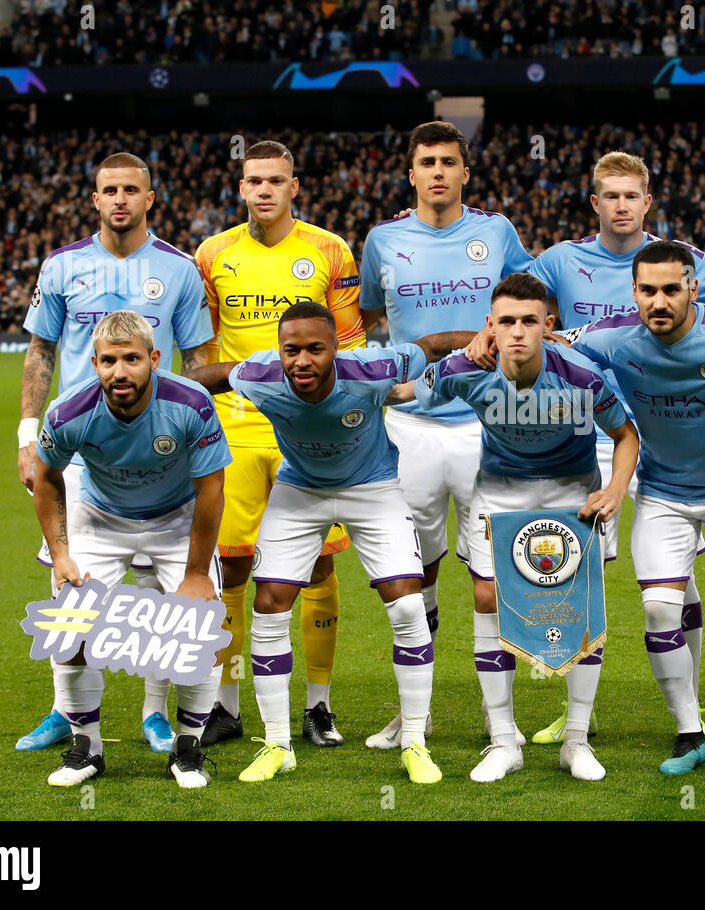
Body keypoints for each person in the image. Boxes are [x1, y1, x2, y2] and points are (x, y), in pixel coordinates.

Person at [189, 302, 474, 784]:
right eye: (292, 350)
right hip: (300, 489)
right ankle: (277, 743)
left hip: (372, 488)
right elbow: (212, 376)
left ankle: (416, 744)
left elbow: (431, 346)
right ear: (278, 352)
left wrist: (488, 334)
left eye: (315, 349)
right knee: (270, 606)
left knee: (406, 606)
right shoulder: (260, 374)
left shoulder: (373, 369)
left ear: (336, 348)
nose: (302, 361)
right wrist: (155, 386)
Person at [557, 241, 705, 780]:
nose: (658, 301)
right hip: (662, 492)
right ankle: (691, 732)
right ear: (633, 291)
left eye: (670, 289)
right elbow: (549, 343)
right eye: (647, 290)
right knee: (661, 612)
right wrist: (485, 338)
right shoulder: (612, 337)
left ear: (692, 286)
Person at [521, 151, 705, 746]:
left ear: (647, 201)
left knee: (678, 580)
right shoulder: (560, 261)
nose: (621, 205)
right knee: (576, 573)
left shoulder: (681, 261)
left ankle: (690, 714)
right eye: (609, 195)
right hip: (589, 435)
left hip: (667, 432)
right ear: (595, 202)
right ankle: (573, 712)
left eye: (631, 195)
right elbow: (508, 292)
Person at [17, 152, 213, 754]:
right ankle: (65, 712)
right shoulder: (62, 266)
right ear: (95, 199)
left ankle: (155, 715)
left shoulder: (180, 270)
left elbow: (200, 364)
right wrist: (28, 436)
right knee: (70, 591)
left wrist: (195, 438)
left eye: (132, 189)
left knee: (160, 598)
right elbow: (40, 353)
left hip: (158, 457)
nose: (120, 199)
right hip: (77, 453)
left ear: (150, 198)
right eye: (109, 190)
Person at [407, 273, 638, 781]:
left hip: (572, 491)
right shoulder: (467, 369)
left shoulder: (580, 375)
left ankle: (575, 741)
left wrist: (616, 490)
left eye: (528, 321)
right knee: (488, 598)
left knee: (580, 607)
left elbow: (625, 435)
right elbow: (406, 392)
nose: (517, 332)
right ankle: (503, 740)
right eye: (506, 321)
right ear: (489, 325)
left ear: (547, 326)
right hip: (500, 489)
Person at [358, 120, 533, 749]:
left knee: (491, 582)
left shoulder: (496, 232)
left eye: (448, 162)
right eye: (426, 162)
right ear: (411, 174)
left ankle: (499, 719)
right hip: (409, 430)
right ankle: (414, 715)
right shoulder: (382, 240)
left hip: (490, 431)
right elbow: (368, 316)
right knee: (414, 579)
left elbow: (539, 299)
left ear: (465, 172)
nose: (438, 171)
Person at [194, 140, 365, 749]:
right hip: (234, 429)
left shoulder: (329, 249)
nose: (264, 190)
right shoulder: (212, 254)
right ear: (240, 188)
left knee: (318, 563)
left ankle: (318, 706)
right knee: (234, 566)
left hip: (310, 430)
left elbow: (347, 341)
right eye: (253, 181)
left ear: (296, 186)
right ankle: (227, 704)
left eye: (275, 180)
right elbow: (203, 351)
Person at [32, 310, 230, 788]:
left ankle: (188, 751)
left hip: (176, 518)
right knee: (68, 628)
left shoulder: (191, 403)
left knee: (198, 627)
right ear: (95, 363)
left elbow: (211, 489)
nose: (119, 372)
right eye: (108, 361)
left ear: (154, 359)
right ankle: (87, 751)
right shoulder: (68, 411)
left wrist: (198, 572)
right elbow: (45, 476)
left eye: (131, 359)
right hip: (101, 519)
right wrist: (61, 554)